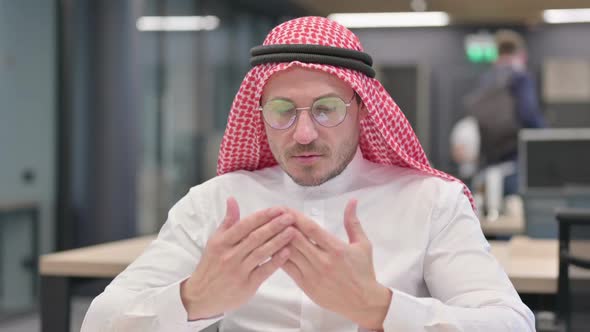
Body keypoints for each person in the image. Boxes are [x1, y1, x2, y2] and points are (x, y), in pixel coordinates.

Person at [81, 17, 534, 331]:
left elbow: (510, 323)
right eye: (281, 111)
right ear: (258, 114)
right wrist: (194, 298)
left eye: (326, 110)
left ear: (361, 110)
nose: (302, 134)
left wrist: (380, 308)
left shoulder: (431, 201)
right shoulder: (215, 205)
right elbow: (100, 321)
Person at [463, 29, 545, 197]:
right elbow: (529, 114)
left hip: (488, 165)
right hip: (516, 164)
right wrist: (545, 136)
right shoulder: (520, 78)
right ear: (520, 53)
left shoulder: (487, 79)